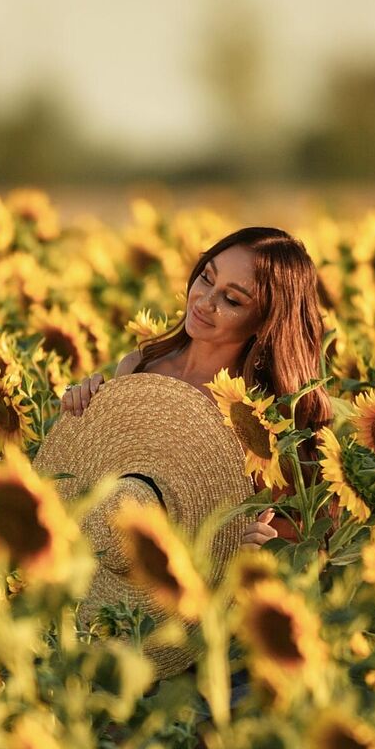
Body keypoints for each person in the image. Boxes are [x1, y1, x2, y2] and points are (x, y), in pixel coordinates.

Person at [60, 225, 340, 548]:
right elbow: (100, 476)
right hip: (120, 567)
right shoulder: (139, 368)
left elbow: (304, 536)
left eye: (232, 299)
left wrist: (263, 547)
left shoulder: (257, 421)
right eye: (207, 277)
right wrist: (81, 408)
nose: (205, 302)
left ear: (265, 323)